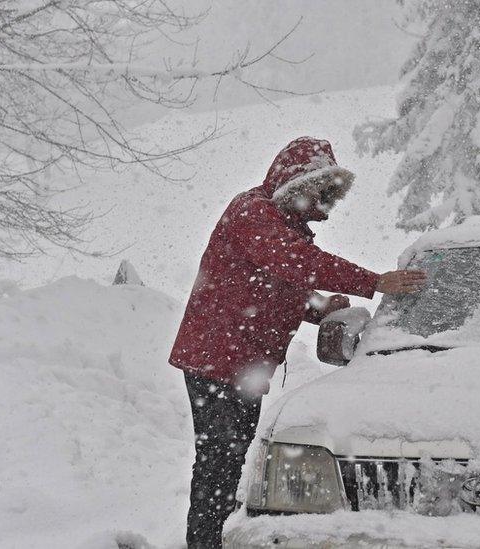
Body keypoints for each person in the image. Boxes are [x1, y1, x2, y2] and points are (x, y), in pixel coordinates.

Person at [168, 136, 426, 548]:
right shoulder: (252, 212)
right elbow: (297, 264)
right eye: (319, 194)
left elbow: (283, 285)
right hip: (217, 359)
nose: (324, 207)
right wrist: (373, 282)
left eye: (329, 198)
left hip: (240, 363)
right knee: (219, 461)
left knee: (227, 459)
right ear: (297, 185)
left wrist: (327, 309)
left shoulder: (283, 228)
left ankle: (207, 539)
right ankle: (202, 543)